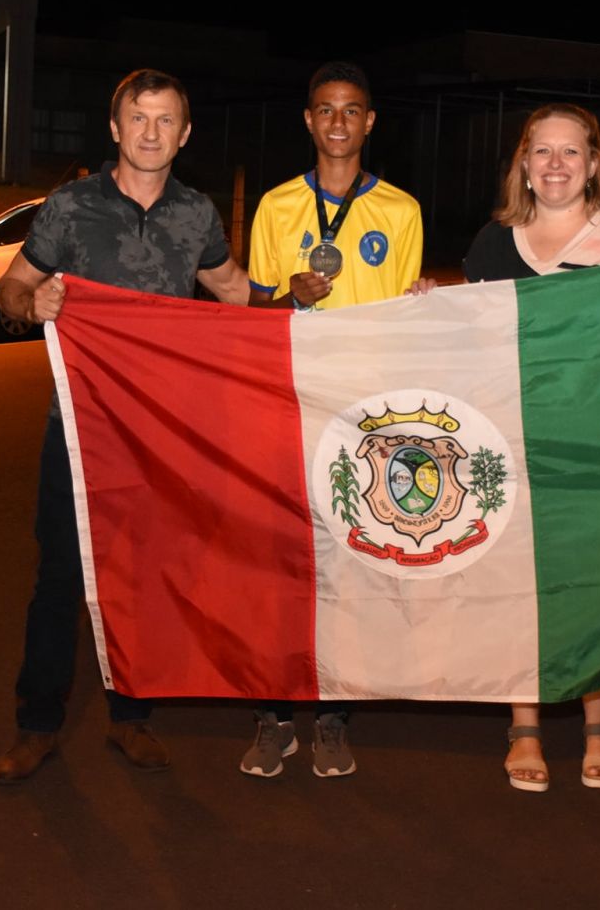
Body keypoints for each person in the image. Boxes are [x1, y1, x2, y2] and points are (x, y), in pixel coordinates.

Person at [0, 68, 324, 784]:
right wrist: (32, 304)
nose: (151, 132)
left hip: (158, 434)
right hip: (78, 429)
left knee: (142, 576)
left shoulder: (195, 214)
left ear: (185, 133)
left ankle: (130, 717)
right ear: (115, 128)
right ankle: (36, 726)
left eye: (165, 120)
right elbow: (10, 289)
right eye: (138, 118)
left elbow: (232, 293)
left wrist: (289, 303)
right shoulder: (71, 206)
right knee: (60, 577)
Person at [239, 61, 429, 779]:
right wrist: (288, 297)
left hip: (365, 416)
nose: (339, 122)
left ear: (369, 121)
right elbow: (253, 317)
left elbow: (409, 321)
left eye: (352, 110)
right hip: (288, 403)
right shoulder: (276, 206)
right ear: (308, 120)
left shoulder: (402, 211)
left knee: (349, 567)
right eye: (326, 109)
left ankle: (333, 717)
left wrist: (429, 307)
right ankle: (273, 716)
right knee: (277, 564)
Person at [462, 102, 600, 793]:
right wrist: (433, 304)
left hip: (596, 447)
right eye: (541, 150)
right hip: (512, 442)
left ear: (594, 164)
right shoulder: (493, 242)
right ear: (523, 164)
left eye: (571, 151)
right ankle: (525, 725)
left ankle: (599, 724)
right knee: (520, 585)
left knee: (595, 584)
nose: (555, 164)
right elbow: (469, 345)